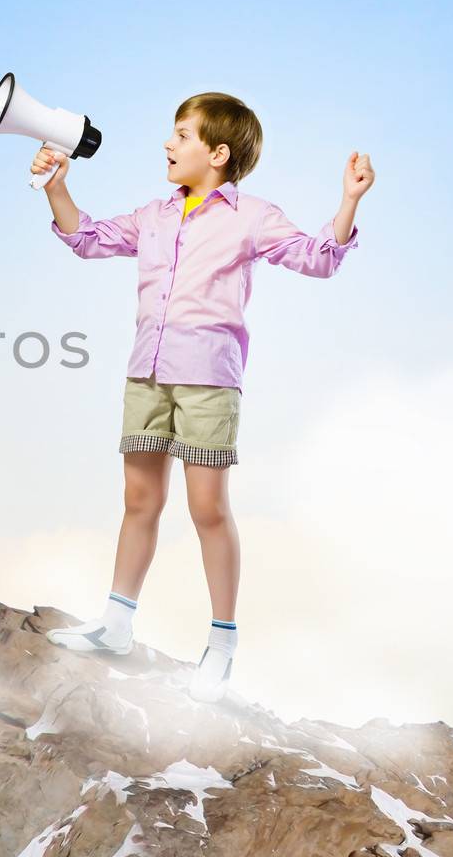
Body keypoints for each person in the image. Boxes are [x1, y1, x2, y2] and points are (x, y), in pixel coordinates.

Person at [33, 92, 375, 703]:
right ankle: (115, 624)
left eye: (182, 134)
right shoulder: (154, 215)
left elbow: (317, 259)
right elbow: (86, 238)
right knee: (139, 500)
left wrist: (348, 202)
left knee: (207, 510)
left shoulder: (252, 216)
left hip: (210, 381)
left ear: (217, 154)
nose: (168, 143)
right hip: (147, 372)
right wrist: (58, 185)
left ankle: (221, 644)